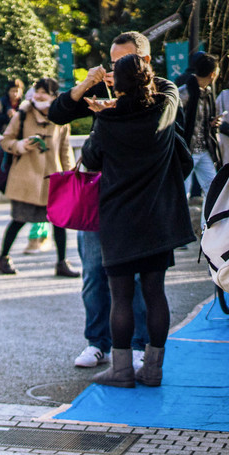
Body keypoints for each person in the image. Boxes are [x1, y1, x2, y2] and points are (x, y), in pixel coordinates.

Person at [81, 53, 194, 387]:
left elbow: (90, 159)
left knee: (121, 296)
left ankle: (121, 370)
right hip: (158, 218)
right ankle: (153, 369)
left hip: (119, 220)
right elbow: (171, 88)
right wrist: (140, 73)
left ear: (120, 84)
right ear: (147, 77)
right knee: (155, 292)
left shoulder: (108, 121)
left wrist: (106, 112)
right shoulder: (164, 110)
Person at [48, 31, 157, 370]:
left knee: (137, 275)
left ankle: (138, 344)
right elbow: (58, 113)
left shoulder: (160, 93)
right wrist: (84, 85)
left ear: (144, 61)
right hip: (98, 192)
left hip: (138, 195)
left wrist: (116, 109)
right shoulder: (101, 87)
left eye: (122, 63)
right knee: (94, 271)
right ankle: (97, 342)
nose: (114, 71)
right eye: (111, 63)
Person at [0, 77, 80, 277]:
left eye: (45, 92)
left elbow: (65, 150)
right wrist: (21, 145)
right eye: (38, 90)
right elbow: (6, 140)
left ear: (54, 96)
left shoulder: (61, 118)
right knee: (18, 220)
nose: (40, 95)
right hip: (25, 178)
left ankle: (61, 262)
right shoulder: (23, 114)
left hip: (52, 179)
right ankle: (3, 258)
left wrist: (69, 176)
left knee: (58, 223)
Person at [177, 52, 222, 197]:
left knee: (214, 191)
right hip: (186, 151)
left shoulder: (208, 93)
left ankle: (207, 221)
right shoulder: (184, 93)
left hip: (204, 149)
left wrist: (213, 123)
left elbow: (203, 120)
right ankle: (182, 220)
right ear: (212, 74)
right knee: (183, 192)